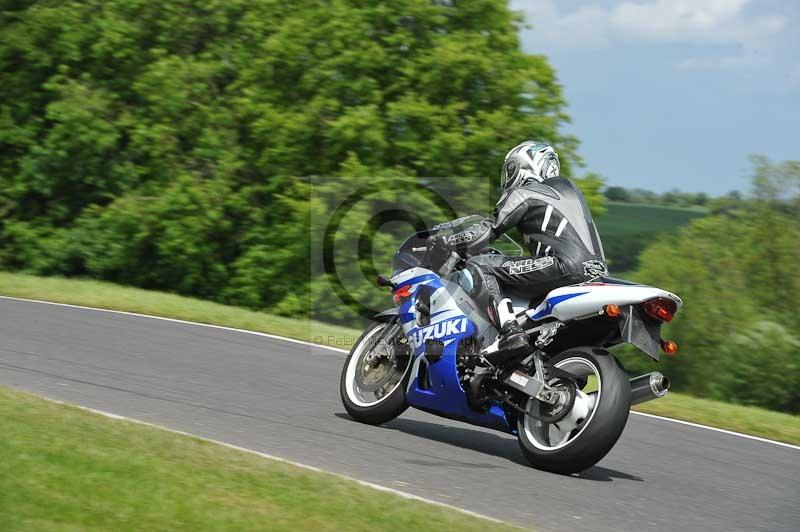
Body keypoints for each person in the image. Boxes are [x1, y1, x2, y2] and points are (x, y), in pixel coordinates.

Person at [427, 141, 608, 362]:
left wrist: (448, 240)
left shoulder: (527, 191)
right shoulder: (569, 193)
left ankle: (511, 332)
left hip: (563, 265)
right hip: (597, 273)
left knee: (482, 264)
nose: (508, 177)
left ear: (527, 165)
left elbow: (487, 230)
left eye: (511, 169)